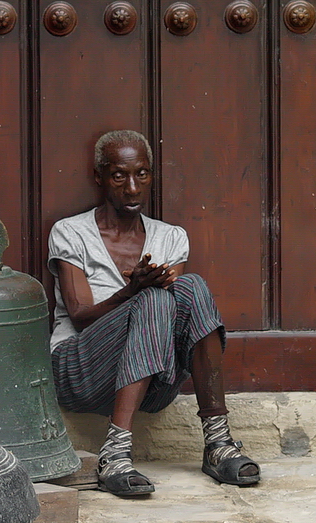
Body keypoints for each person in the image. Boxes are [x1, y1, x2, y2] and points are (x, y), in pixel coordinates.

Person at [47, 130, 260, 496]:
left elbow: (177, 314)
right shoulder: (70, 232)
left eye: (141, 174)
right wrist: (131, 292)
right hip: (78, 371)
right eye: (119, 176)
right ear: (100, 177)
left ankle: (218, 443)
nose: (132, 188)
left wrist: (143, 292)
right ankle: (114, 455)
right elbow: (79, 313)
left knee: (190, 286)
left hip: (152, 385)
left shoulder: (170, 237)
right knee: (152, 298)